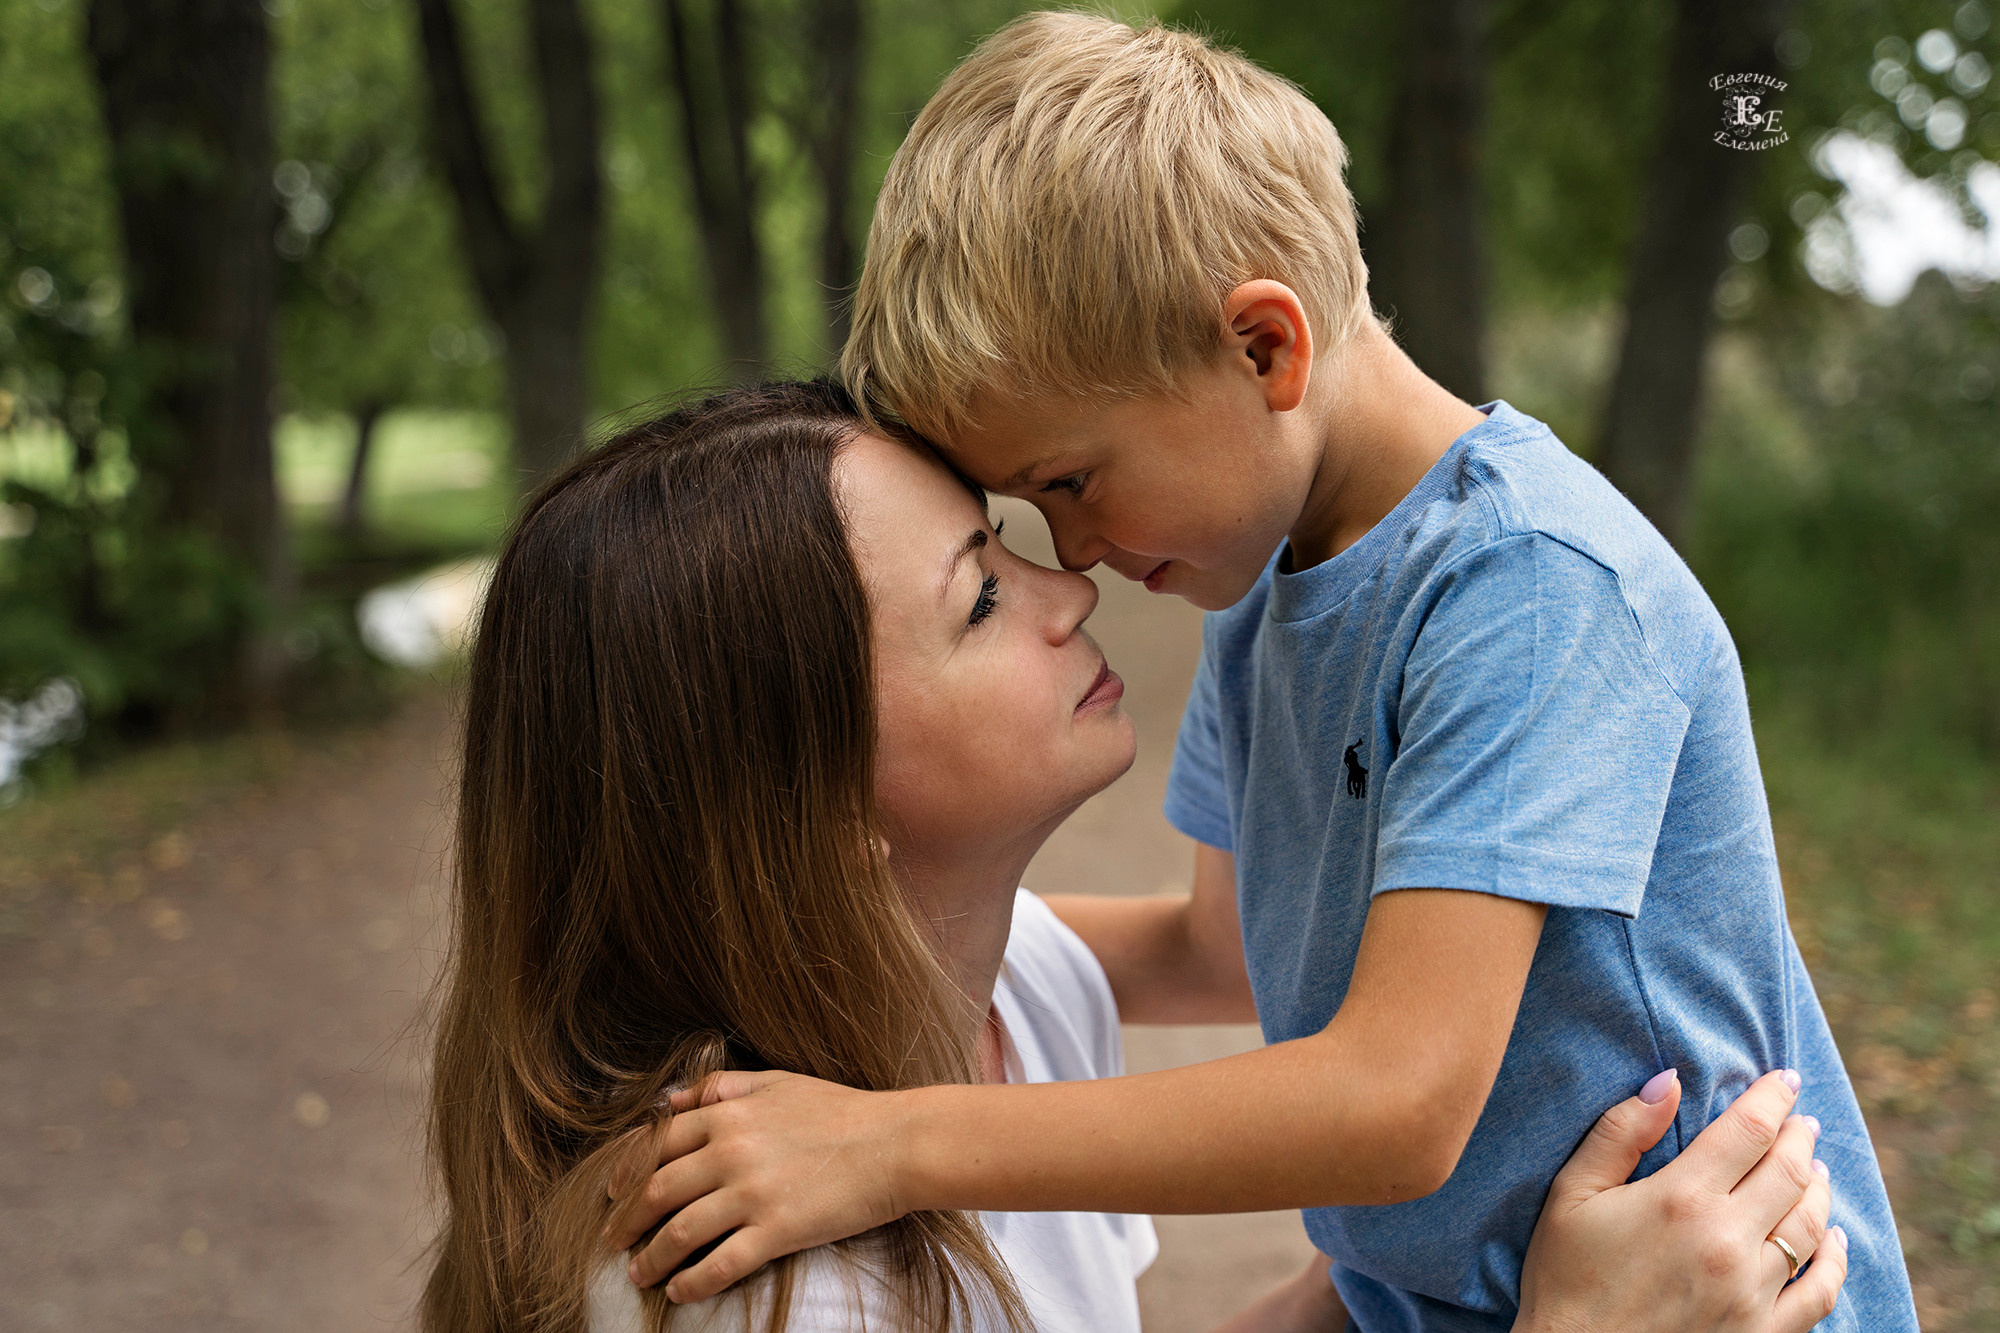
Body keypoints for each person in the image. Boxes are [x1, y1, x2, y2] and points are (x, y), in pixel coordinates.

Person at [603, 15, 1916, 1333]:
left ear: (1263, 350)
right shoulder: (1268, 586)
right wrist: (792, 923)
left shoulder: (1525, 587)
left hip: (1713, 1286)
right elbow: (1216, 948)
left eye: (1071, 479)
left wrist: (887, 1142)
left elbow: (1395, 1102)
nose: (1075, 555)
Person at [425, 381, 1841, 1333]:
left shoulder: (1013, 989)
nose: (1067, 584)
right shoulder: (756, 1267)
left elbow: (1221, 955)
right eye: (981, 592)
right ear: (795, 805)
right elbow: (1386, 1093)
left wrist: (1360, 1298)